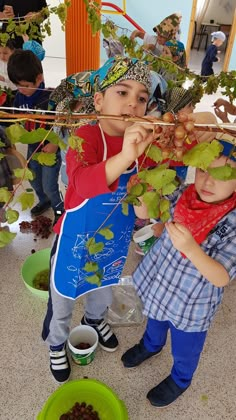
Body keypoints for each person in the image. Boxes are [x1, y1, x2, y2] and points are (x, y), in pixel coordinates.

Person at [41, 56, 159, 383]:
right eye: (122, 92)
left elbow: (142, 212)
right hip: (76, 240)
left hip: (113, 242)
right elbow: (81, 183)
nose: (132, 104)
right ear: (98, 100)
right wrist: (125, 156)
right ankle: (56, 342)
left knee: (103, 289)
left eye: (141, 98)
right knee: (63, 298)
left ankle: (94, 321)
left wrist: (146, 194)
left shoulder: (143, 146)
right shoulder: (86, 137)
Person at [121, 139, 236, 407]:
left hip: (191, 303)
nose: (208, 181)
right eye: (205, 170)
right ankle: (151, 345)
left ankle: (181, 379)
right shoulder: (183, 193)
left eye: (222, 175)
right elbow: (149, 213)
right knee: (155, 320)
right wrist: (140, 196)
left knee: (186, 348)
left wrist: (192, 249)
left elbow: (222, 277)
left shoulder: (231, 222)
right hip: (161, 283)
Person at [7, 49, 64, 222]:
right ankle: (44, 201)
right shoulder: (19, 97)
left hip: (49, 149)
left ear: (39, 78)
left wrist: (54, 144)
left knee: (49, 185)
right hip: (33, 147)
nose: (21, 90)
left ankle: (59, 209)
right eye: (17, 85)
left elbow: (62, 122)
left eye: (25, 85)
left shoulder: (51, 98)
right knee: (34, 180)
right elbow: (17, 118)